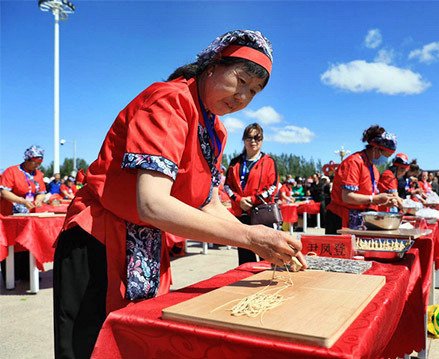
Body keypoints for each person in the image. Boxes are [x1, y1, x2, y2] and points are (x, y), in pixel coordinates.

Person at [53, 30, 306, 359]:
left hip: (144, 244)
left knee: (137, 342)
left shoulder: (215, 130)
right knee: (90, 347)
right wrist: (249, 237)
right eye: (241, 80)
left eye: (254, 91)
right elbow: (152, 203)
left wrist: (262, 238)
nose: (244, 96)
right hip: (98, 240)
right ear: (213, 65)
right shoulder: (170, 100)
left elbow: (208, 202)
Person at [325, 125, 398, 234]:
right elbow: (347, 196)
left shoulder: (373, 169)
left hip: (359, 220)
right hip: (340, 219)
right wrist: (374, 199)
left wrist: (383, 202)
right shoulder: (354, 163)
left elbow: (368, 194)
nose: (386, 159)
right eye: (385, 155)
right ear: (375, 149)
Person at [224, 123, 280, 264]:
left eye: (257, 137)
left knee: (267, 254)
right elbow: (227, 186)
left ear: (262, 140)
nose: (253, 141)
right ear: (244, 139)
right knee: (244, 256)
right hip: (241, 213)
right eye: (249, 137)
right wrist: (239, 200)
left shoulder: (269, 162)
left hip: (261, 213)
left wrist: (253, 200)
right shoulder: (235, 162)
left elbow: (273, 186)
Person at [0, 145, 47, 281]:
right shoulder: (12, 171)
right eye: (35, 162)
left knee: (27, 243)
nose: (37, 166)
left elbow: (41, 192)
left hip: (28, 216)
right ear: (27, 159)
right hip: (9, 215)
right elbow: (4, 192)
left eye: (39, 163)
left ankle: (28, 274)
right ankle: (11, 276)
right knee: (11, 245)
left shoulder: (38, 174)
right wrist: (21, 201)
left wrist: (39, 200)